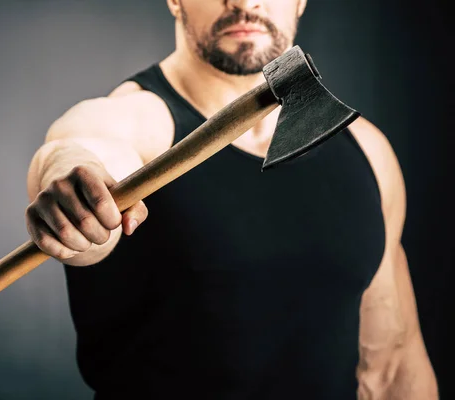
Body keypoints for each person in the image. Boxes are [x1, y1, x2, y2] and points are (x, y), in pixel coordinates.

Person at [25, 0, 438, 398]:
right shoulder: (137, 121)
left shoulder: (368, 151)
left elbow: (392, 364)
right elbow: (78, 148)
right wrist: (73, 184)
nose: (244, 2)